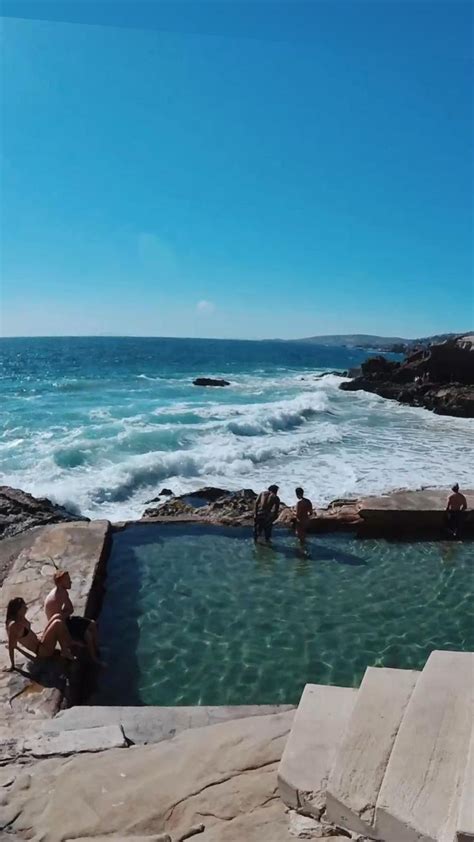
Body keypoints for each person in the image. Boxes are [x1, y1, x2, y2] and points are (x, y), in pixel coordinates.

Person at [44, 570, 102, 664]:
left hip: (65, 619)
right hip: (62, 625)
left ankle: (98, 648)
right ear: (60, 583)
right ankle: (94, 658)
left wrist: (66, 612)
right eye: (67, 580)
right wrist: (69, 640)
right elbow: (64, 615)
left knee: (93, 624)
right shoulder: (59, 595)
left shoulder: (61, 591)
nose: (70, 581)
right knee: (88, 635)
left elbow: (70, 609)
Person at [5, 597, 74, 671]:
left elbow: (14, 643)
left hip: (40, 640)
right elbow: (11, 646)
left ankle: (69, 642)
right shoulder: (14, 626)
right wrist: (12, 665)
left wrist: (16, 646)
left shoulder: (20, 617)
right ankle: (65, 651)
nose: (26, 608)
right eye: (23, 607)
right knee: (57, 623)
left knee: (57, 616)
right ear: (18, 610)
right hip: (42, 650)